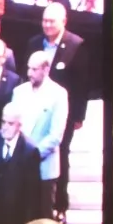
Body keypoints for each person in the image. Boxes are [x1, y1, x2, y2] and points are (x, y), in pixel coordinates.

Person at [28, 2, 90, 214]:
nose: (47, 25)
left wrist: (79, 116)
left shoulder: (76, 45)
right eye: (44, 20)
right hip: (36, 112)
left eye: (51, 21)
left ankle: (60, 204)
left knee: (60, 154)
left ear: (63, 21)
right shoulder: (34, 43)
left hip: (64, 113)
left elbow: (81, 85)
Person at [12, 49, 71, 205]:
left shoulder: (58, 94)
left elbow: (56, 135)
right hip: (19, 167)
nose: (29, 73)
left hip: (44, 168)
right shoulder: (19, 92)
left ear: (46, 70)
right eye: (28, 68)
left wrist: (33, 155)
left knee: (43, 213)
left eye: (34, 69)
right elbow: (12, 125)